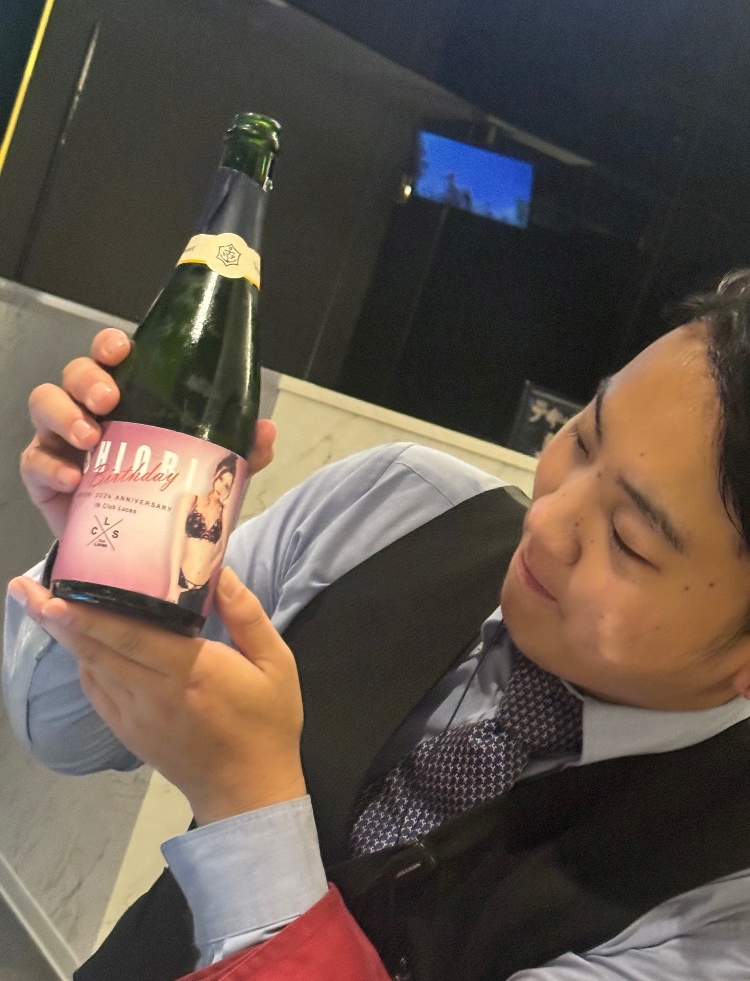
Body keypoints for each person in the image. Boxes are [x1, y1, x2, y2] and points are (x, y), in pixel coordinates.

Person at [5, 271, 750, 981]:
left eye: (628, 540)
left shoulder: (723, 910)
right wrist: (115, 553)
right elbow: (66, 734)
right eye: (583, 438)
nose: (547, 519)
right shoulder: (397, 508)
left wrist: (246, 801)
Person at [167, 453, 238, 615]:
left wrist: (207, 574)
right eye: (221, 479)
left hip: (202, 588)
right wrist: (172, 587)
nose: (222, 487)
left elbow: (222, 548)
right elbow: (178, 542)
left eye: (227, 486)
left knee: (190, 628)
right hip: (181, 583)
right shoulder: (191, 500)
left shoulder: (224, 511)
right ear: (215, 475)